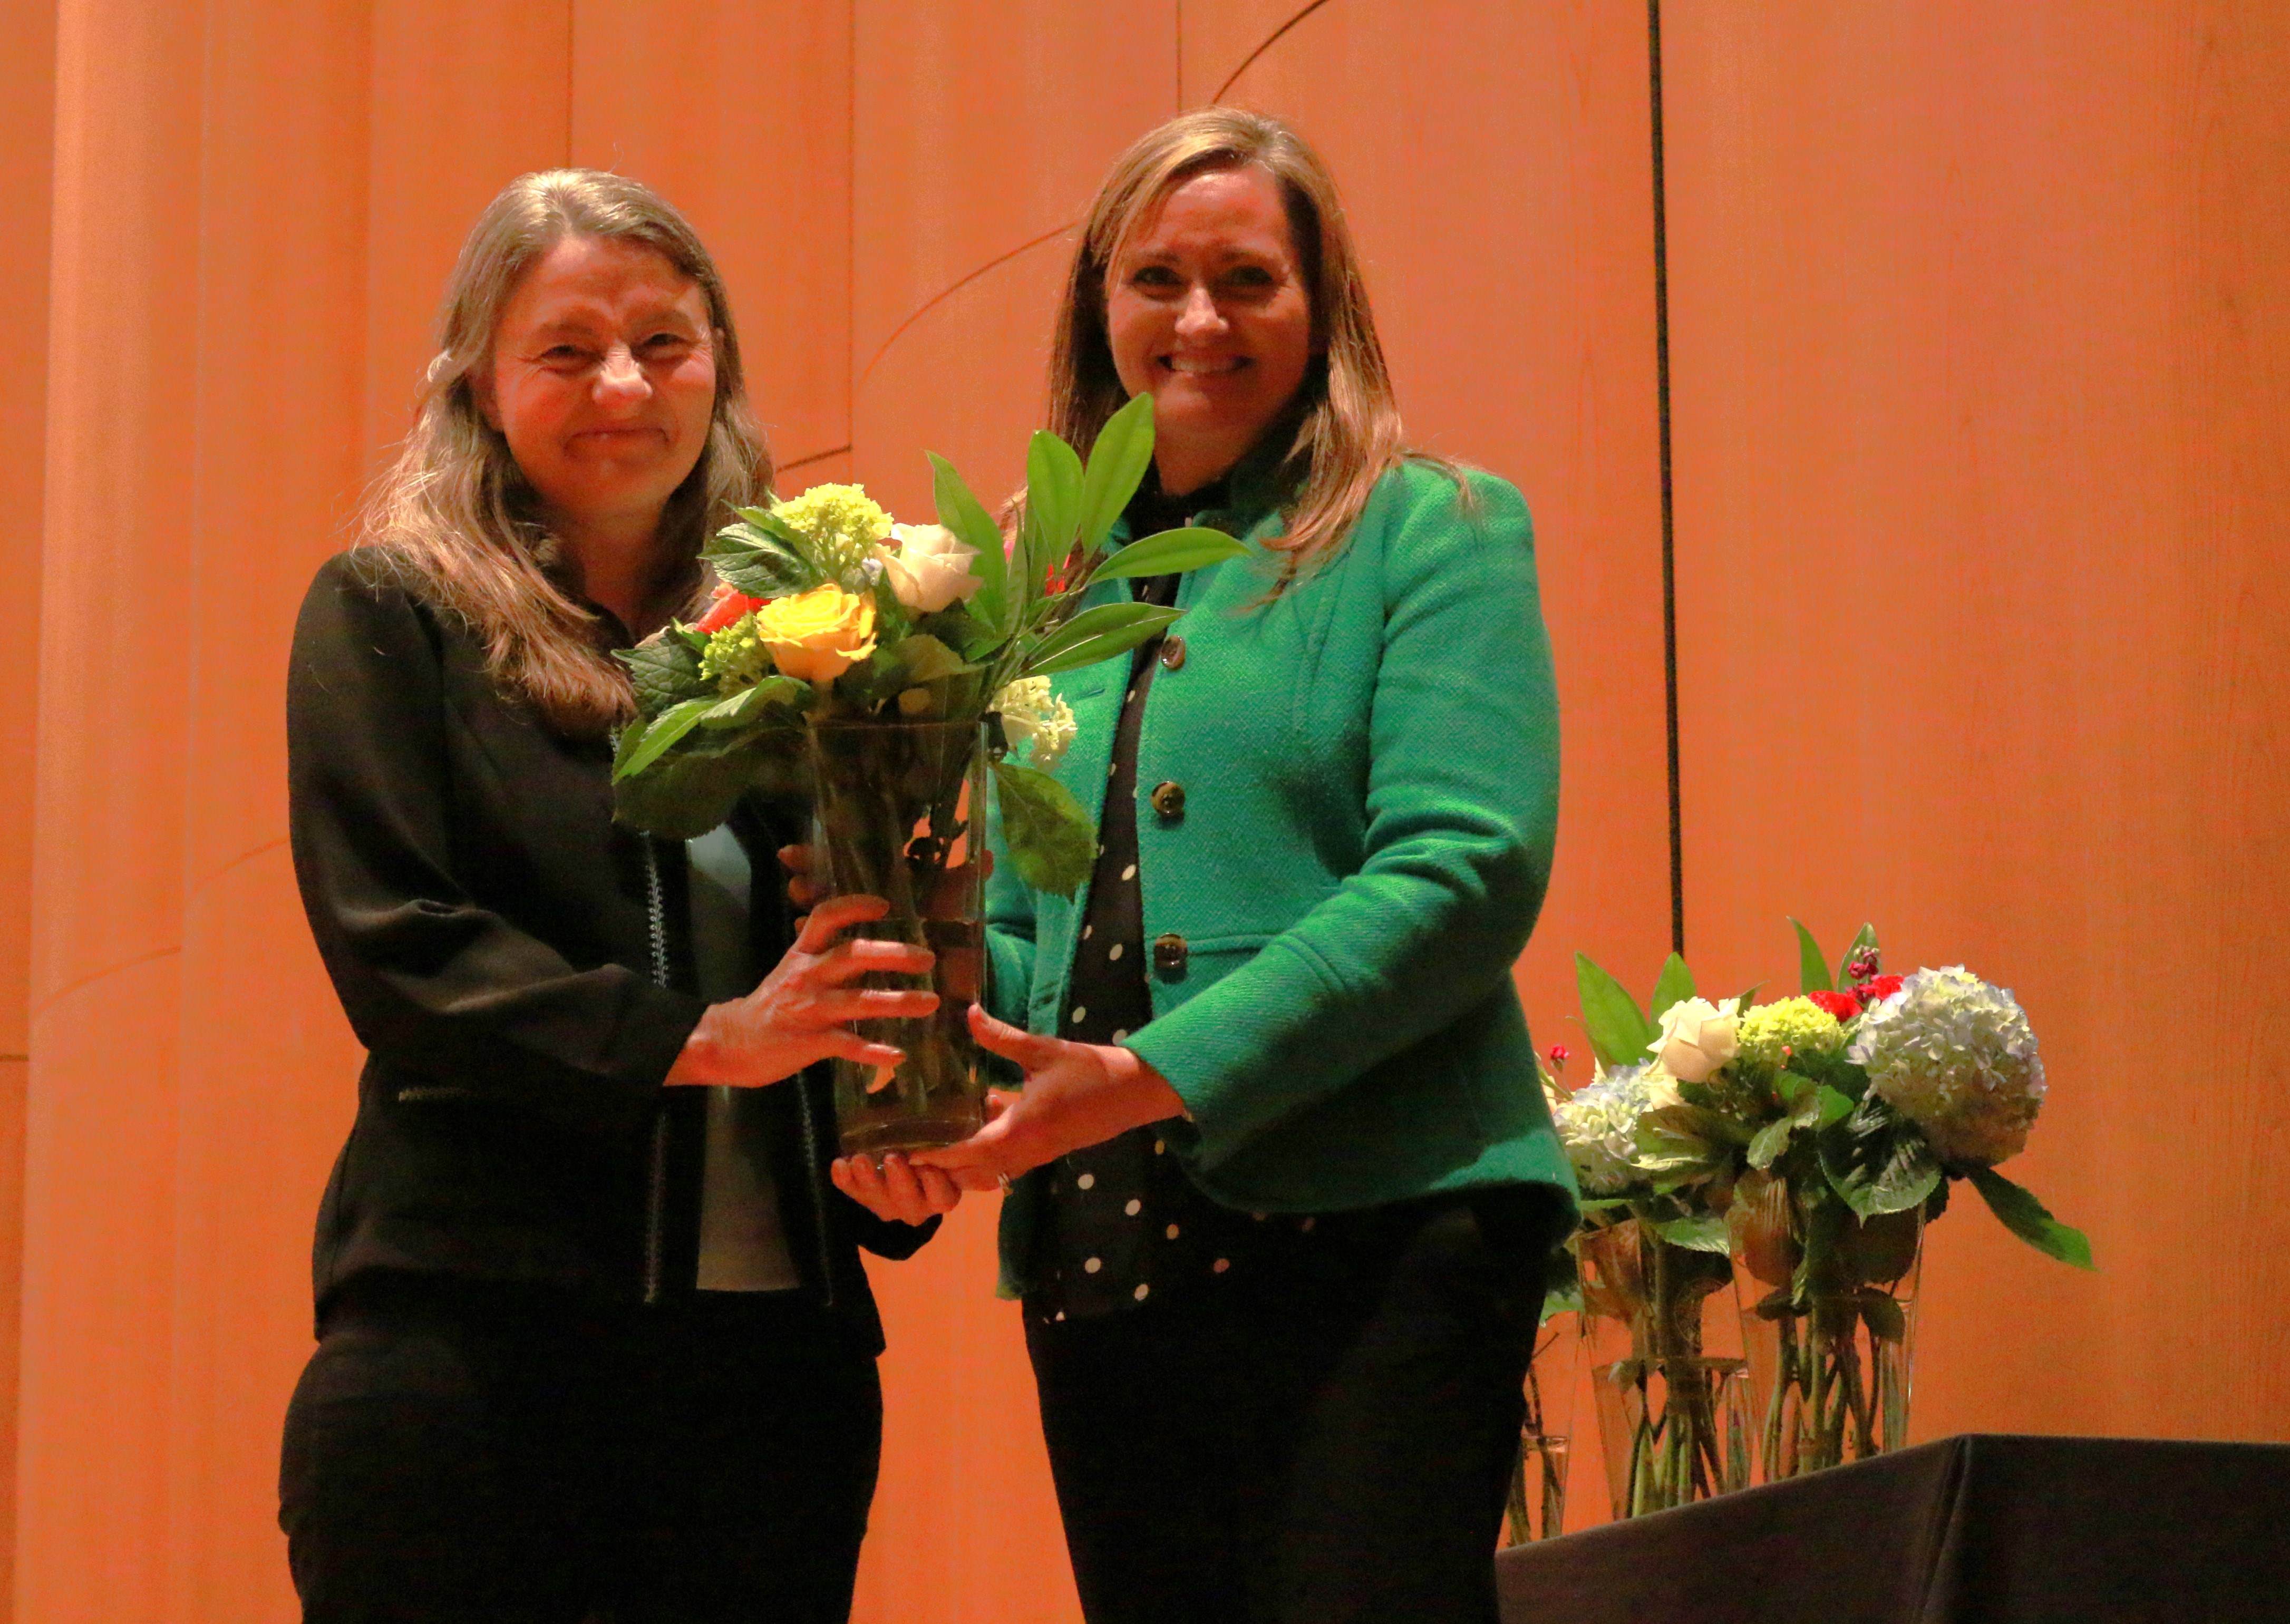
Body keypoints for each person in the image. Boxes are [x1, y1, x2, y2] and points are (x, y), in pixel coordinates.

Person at [904, 109, 1579, 1622]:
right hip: (1109, 1249)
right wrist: (920, 1010)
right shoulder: (1034, 587)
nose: (1199, 319)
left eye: (1248, 279)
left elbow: (1465, 870)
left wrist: (1142, 1074)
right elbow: (1029, 923)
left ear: (1322, 307)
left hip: (1380, 1231)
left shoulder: (1434, 528)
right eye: (1157, 277)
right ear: (1098, 305)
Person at [278, 169, 958, 1624]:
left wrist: (894, 1154)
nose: (624, 383)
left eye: (666, 340)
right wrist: (701, 1038)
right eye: (567, 348)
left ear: (720, 366)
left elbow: (843, 977)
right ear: (478, 381)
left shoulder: (810, 654)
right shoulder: (394, 612)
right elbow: (402, 949)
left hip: (775, 1382)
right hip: (477, 1352)